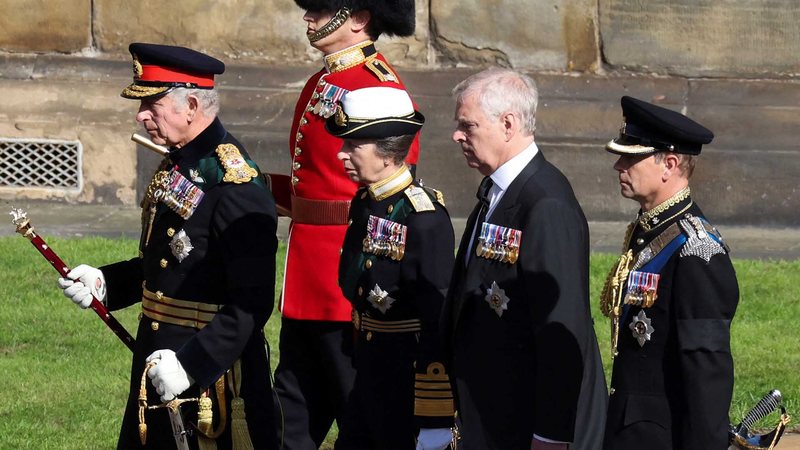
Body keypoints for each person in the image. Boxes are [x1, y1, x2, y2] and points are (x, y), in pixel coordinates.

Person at [57, 43, 278, 449]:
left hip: (208, 380)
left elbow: (253, 301)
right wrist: (106, 282)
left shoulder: (234, 185)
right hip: (159, 361)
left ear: (191, 105)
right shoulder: (181, 163)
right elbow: (165, 262)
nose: (141, 116)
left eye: (152, 104)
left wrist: (193, 364)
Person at [271, 1, 420, 448]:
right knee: (290, 414)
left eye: (319, 8)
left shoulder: (378, 86)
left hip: (346, 276)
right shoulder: (324, 78)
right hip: (307, 273)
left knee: (357, 413)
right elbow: (313, 185)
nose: (308, 18)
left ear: (358, 18)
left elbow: (391, 191)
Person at [441, 68, 607, 450]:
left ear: (508, 124)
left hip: (525, 423)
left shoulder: (545, 203)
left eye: (468, 125)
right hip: (491, 414)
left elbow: (561, 330)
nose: (457, 135)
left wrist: (550, 435)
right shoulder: (499, 190)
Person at [599, 96, 739, 449]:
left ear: (670, 164)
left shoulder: (697, 252)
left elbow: (707, 374)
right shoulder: (649, 231)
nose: (619, 165)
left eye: (631, 157)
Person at [329, 86, 455, 450]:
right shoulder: (366, 201)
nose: (342, 153)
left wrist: (434, 416)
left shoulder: (423, 217)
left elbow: (437, 320)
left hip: (406, 381)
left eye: (354, 146)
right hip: (368, 370)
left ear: (387, 154)